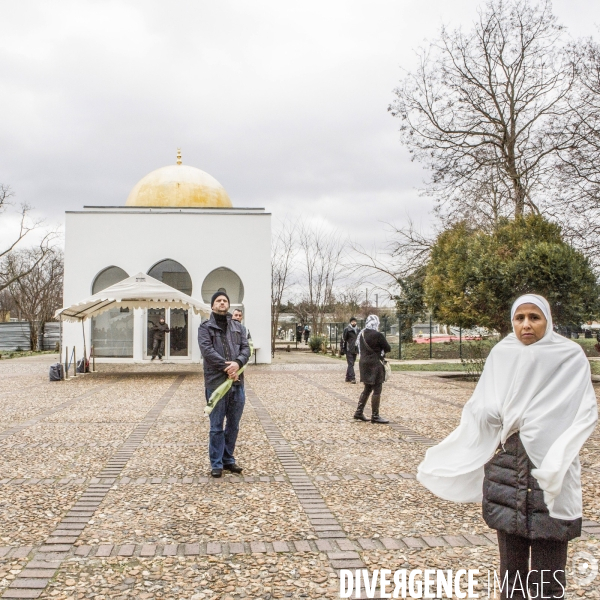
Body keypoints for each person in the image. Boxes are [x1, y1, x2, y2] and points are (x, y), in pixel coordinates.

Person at [417, 294, 598, 599]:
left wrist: (541, 433)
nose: (526, 324)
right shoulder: (502, 354)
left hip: (551, 471)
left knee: (548, 580)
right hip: (508, 470)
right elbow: (481, 406)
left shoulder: (569, 356)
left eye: (534, 317)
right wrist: (493, 413)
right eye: (519, 318)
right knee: (511, 575)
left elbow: (582, 412)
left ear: (547, 320)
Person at [198, 292, 251, 478]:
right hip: (217, 383)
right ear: (212, 305)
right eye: (218, 300)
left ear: (229, 304)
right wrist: (228, 368)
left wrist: (238, 362)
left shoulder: (238, 327)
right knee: (216, 425)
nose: (222, 303)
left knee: (234, 425)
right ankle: (216, 463)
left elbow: (246, 349)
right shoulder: (205, 327)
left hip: (237, 382)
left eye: (225, 300)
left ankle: (228, 459)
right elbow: (207, 351)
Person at [354, 314, 391, 424]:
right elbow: (387, 348)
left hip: (364, 363)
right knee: (377, 388)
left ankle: (359, 412)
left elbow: (356, 348)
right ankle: (375, 415)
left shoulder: (361, 334)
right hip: (375, 364)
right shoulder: (378, 335)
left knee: (367, 388)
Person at [341, 317, 360, 383]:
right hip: (349, 349)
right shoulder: (347, 330)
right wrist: (342, 349)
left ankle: (347, 377)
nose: (354, 323)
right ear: (350, 322)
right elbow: (343, 339)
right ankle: (352, 378)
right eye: (352, 322)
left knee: (351, 364)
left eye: (355, 321)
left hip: (355, 349)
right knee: (351, 363)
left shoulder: (358, 330)